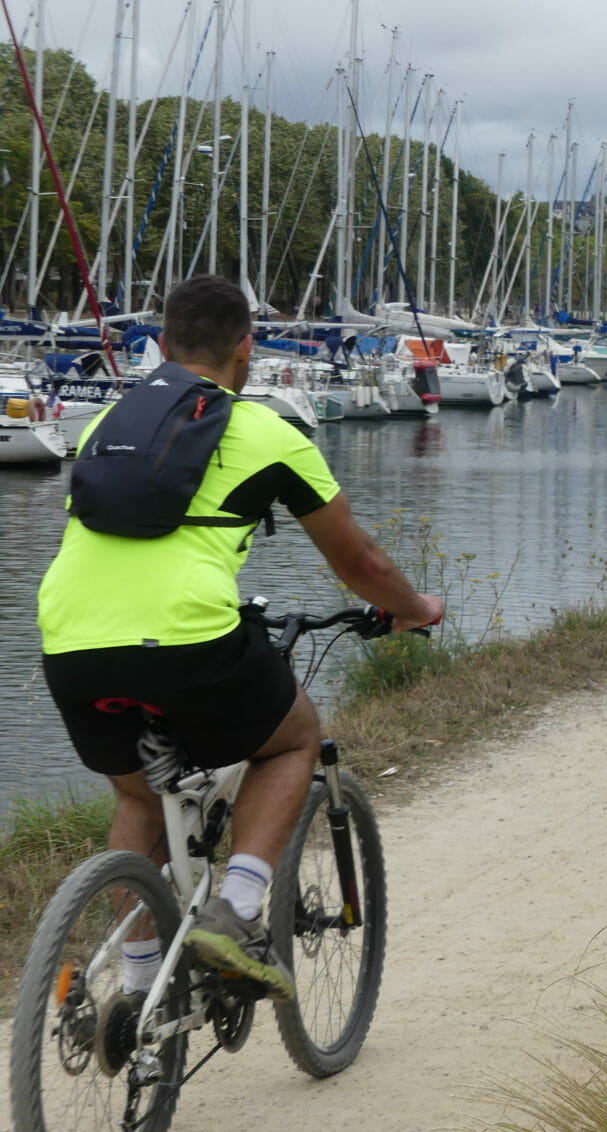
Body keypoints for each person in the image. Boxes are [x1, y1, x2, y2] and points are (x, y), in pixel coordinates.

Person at [37, 274, 443, 1003]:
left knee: (137, 796)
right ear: (246, 350)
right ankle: (239, 910)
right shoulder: (267, 432)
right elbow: (361, 563)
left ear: (160, 346)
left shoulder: (106, 425)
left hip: (70, 637)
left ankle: (134, 993)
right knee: (291, 739)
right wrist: (414, 607)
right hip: (186, 636)